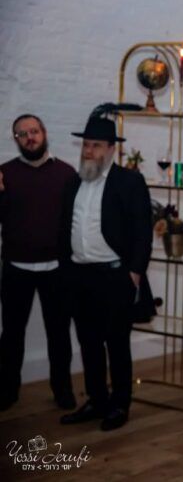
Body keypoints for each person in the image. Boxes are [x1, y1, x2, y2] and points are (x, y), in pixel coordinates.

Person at [59, 106, 153, 432]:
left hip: (115, 276)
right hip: (80, 275)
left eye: (96, 145)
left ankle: (119, 404)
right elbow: (65, 227)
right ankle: (97, 399)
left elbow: (143, 232)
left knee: (117, 344)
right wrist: (66, 269)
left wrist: (134, 273)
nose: (89, 151)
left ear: (112, 149)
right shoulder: (74, 182)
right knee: (88, 343)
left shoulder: (129, 182)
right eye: (86, 145)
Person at [0, 114, 77, 411]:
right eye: (22, 134)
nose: (29, 137)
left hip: (56, 269)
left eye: (33, 131)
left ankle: (63, 389)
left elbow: (74, 221)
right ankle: (8, 390)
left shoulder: (66, 173)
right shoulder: (5, 174)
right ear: (16, 140)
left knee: (59, 334)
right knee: (11, 335)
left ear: (44, 133)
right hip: (16, 268)